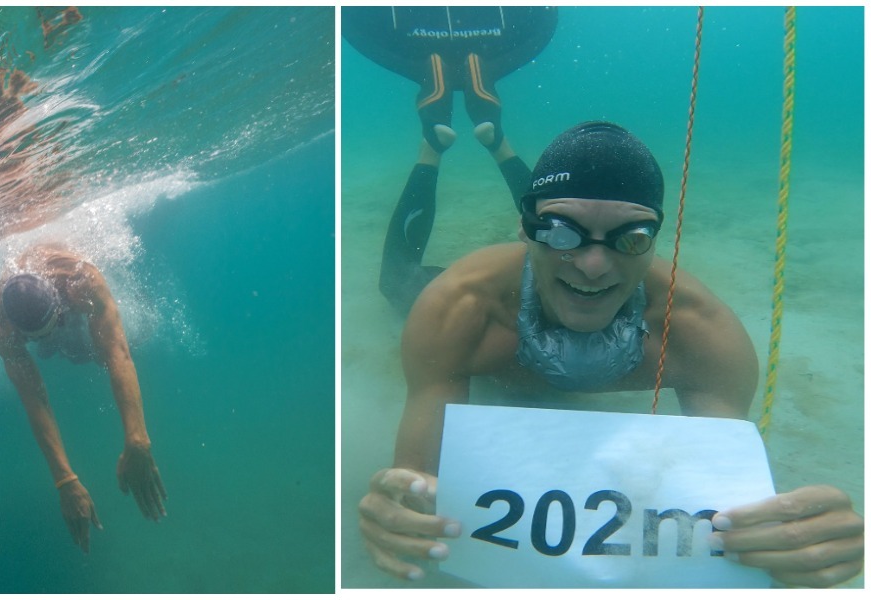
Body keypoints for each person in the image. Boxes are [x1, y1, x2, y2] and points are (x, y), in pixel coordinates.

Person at [357, 122, 865, 587]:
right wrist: (400, 507)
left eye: (631, 237)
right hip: (478, 285)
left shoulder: (699, 335)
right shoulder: (459, 307)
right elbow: (418, 482)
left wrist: (793, 544)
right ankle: (435, 149)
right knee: (395, 279)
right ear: (524, 229)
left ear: (655, 241)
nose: (594, 265)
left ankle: (506, 152)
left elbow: (736, 511)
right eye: (558, 231)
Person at [343, 6, 557, 313]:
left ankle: (449, 135)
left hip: (554, 282)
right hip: (555, 283)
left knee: (398, 283)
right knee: (565, 251)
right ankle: (489, 136)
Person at [0, 243, 166, 553]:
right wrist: (64, 479)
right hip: (43, 319)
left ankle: (59, 333)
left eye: (51, 326)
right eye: (32, 337)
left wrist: (138, 441)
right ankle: (49, 339)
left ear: (60, 305)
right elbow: (35, 398)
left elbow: (118, 354)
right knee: (60, 349)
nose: (43, 338)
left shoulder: (82, 282)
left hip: (72, 300)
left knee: (96, 355)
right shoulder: (1, 328)